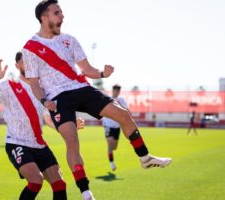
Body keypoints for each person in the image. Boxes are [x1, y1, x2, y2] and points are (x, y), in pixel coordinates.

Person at [22, 1, 172, 199]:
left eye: (62, 13)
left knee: (123, 114)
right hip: (57, 98)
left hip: (82, 88)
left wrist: (102, 73)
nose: (62, 16)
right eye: (57, 13)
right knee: (72, 141)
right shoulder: (30, 48)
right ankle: (86, 192)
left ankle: (145, 158)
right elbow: (34, 83)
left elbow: (87, 70)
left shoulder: (69, 40)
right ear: (44, 18)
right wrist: (44, 101)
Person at [0, 52, 85, 200]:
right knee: (36, 181)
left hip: (39, 145)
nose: (29, 65)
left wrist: (68, 125)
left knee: (60, 184)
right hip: (17, 143)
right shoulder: (9, 86)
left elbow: (47, 119)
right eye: (24, 62)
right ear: (17, 65)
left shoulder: (42, 90)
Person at [102, 84, 128, 171]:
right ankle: (112, 164)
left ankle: (110, 153)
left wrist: (119, 104)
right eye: (115, 90)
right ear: (113, 90)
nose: (116, 92)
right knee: (110, 145)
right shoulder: (108, 98)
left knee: (114, 147)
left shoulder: (121, 100)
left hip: (117, 126)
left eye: (118, 91)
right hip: (108, 125)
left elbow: (127, 111)